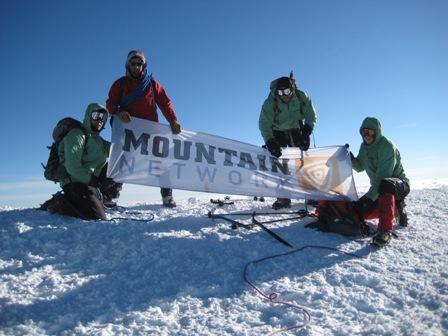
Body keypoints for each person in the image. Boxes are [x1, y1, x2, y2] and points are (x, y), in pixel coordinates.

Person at [106, 50, 181, 208]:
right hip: (128, 131)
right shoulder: (120, 84)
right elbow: (110, 105)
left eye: (139, 63)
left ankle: (167, 196)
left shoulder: (152, 84)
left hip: (151, 129)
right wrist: (118, 112)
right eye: (133, 64)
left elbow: (165, 103)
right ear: (128, 65)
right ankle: (112, 194)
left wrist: (173, 120)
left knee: (160, 160)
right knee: (122, 160)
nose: (136, 67)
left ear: (143, 65)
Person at [40, 103, 122, 220]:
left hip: (91, 183)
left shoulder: (98, 140)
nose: (99, 120)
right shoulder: (77, 135)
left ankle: (104, 199)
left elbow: (117, 151)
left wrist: (134, 145)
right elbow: (72, 166)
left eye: (103, 118)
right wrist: (91, 180)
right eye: (96, 115)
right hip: (75, 183)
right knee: (96, 217)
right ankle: (60, 202)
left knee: (120, 164)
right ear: (89, 115)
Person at [259, 73, 317, 209]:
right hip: (277, 132)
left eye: (287, 91)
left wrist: (307, 132)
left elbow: (311, 116)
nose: (284, 94)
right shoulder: (270, 102)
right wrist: (270, 141)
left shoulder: (302, 97)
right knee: (280, 164)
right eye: (280, 92)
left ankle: (310, 196)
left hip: (297, 130)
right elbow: (264, 124)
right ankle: (283, 199)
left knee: (303, 162)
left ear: (293, 88)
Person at [350, 117, 410, 247]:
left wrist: (367, 199)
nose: (366, 135)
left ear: (377, 132)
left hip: (399, 185)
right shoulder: (364, 148)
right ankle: (395, 210)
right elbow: (360, 167)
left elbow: (383, 177)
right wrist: (350, 158)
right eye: (363, 132)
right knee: (364, 213)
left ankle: (385, 231)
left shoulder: (387, 146)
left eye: (370, 132)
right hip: (381, 190)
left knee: (385, 184)